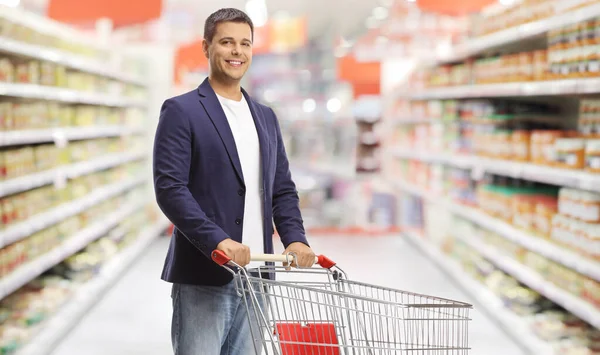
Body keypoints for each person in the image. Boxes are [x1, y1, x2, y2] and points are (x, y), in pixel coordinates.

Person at [152, 7, 316, 355]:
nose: (237, 51)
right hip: (204, 275)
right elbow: (170, 189)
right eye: (226, 42)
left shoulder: (265, 117)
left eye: (245, 43)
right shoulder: (181, 111)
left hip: (259, 275)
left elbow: (282, 189)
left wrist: (295, 239)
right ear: (206, 47)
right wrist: (218, 240)